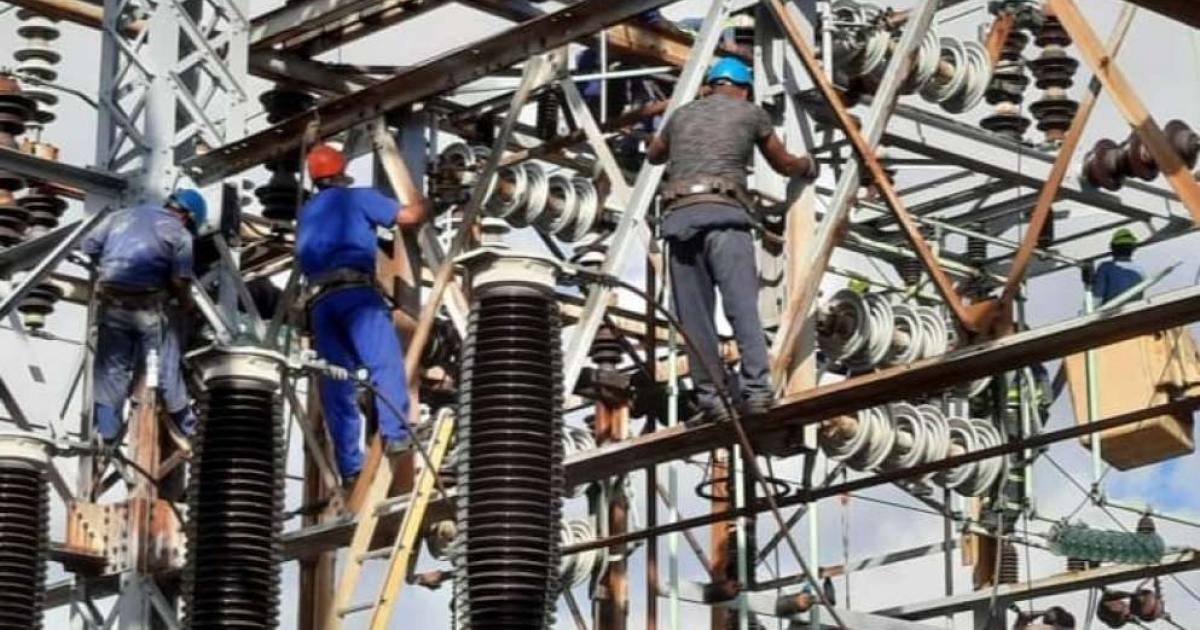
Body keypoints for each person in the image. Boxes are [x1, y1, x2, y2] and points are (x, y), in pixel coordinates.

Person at [646, 57, 817, 425]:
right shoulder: (751, 113)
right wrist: (808, 166)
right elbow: (783, 164)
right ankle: (756, 392)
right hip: (724, 218)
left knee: (694, 321)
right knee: (742, 309)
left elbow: (653, 154)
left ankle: (714, 400)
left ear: (709, 86)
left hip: (679, 220)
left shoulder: (680, 116)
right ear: (743, 90)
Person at [296, 143, 428, 488]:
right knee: (384, 362)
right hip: (356, 295)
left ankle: (350, 467)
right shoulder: (355, 199)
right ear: (341, 173)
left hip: (321, 304)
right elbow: (410, 218)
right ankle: (396, 434)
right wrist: (430, 202)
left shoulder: (308, 212)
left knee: (337, 381)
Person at [83, 189, 206, 447]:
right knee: (165, 365)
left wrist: (109, 266)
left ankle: (107, 431)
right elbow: (178, 280)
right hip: (148, 310)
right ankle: (188, 427)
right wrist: (188, 305)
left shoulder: (119, 217)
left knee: (111, 369)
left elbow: (89, 246)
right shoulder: (180, 234)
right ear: (188, 217)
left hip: (111, 305)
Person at [1092, 228, 1145, 306]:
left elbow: (1096, 298)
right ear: (1133, 248)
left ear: (1112, 248)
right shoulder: (1140, 272)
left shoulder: (1106, 268)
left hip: (1111, 314)